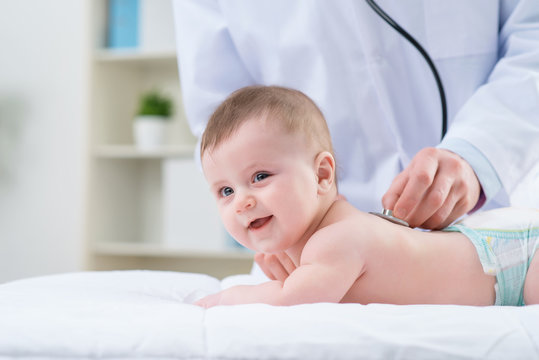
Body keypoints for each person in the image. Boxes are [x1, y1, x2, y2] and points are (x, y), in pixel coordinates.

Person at [172, 1, 539, 231]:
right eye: (228, 192)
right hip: (301, 240)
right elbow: (220, 126)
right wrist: (273, 235)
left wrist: (478, 153)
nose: (241, 198)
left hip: (488, 218)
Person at [195, 85, 539, 308]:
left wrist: (222, 300)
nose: (242, 201)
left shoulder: (334, 242)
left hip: (517, 260)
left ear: (321, 175)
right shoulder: (326, 237)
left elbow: (288, 302)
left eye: (260, 177)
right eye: (226, 190)